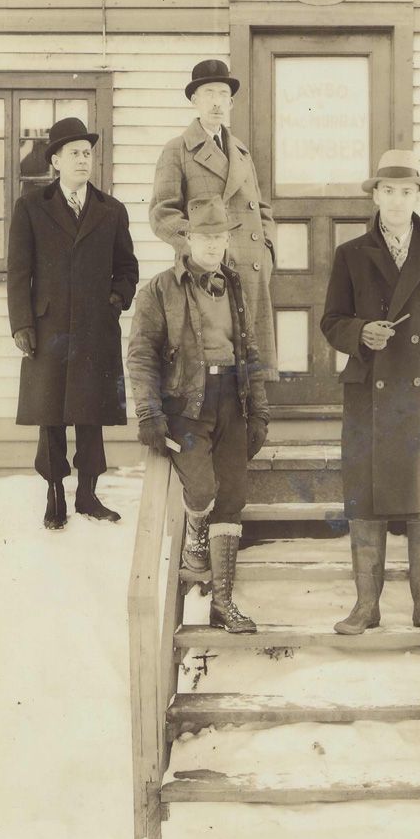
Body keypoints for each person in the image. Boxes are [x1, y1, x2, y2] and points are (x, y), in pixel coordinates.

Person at [320, 150, 420, 637]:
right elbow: (331, 321)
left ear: (417, 197)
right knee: (365, 499)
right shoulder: (350, 254)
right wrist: (360, 332)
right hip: (369, 392)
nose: (397, 200)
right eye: (388, 190)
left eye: (407, 191)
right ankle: (366, 606)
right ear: (376, 196)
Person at [127, 196, 270, 634]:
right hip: (186, 407)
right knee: (203, 488)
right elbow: (141, 355)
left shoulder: (236, 286)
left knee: (232, 497)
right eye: (204, 236)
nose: (212, 244)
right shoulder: (159, 289)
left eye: (220, 236)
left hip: (232, 399)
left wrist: (259, 410)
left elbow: (250, 351)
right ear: (187, 238)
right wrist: (148, 413)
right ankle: (195, 535)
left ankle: (223, 604)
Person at [7, 116, 139, 529]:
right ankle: (54, 493)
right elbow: (18, 272)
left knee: (91, 411)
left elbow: (127, 268)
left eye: (87, 153)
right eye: (75, 153)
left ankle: (87, 494)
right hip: (48, 328)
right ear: (56, 161)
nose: (83, 160)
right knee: (50, 414)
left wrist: (115, 300)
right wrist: (22, 324)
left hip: (96, 328)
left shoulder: (111, 210)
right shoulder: (31, 207)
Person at [148, 58, 278, 379]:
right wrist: (200, 249)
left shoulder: (241, 151)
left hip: (250, 270)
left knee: (252, 374)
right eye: (209, 93)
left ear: (231, 102)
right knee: (212, 371)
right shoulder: (178, 150)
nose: (217, 102)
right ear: (195, 100)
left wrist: (267, 251)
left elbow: (261, 208)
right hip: (208, 271)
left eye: (223, 94)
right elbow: (162, 214)